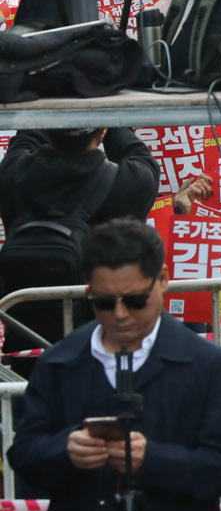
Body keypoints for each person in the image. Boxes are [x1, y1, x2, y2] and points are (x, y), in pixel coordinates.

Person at [8, 218, 221, 511]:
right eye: (104, 303)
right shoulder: (59, 363)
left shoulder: (206, 364)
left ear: (162, 280)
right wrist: (66, 449)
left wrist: (152, 459)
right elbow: (24, 454)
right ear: (88, 292)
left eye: (135, 301)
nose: (120, 314)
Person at [0, 128, 163, 347]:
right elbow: (136, 152)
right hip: (101, 334)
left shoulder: (12, 173)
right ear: (102, 132)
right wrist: (110, 113)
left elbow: (27, 135)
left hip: (25, 334)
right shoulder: (129, 182)